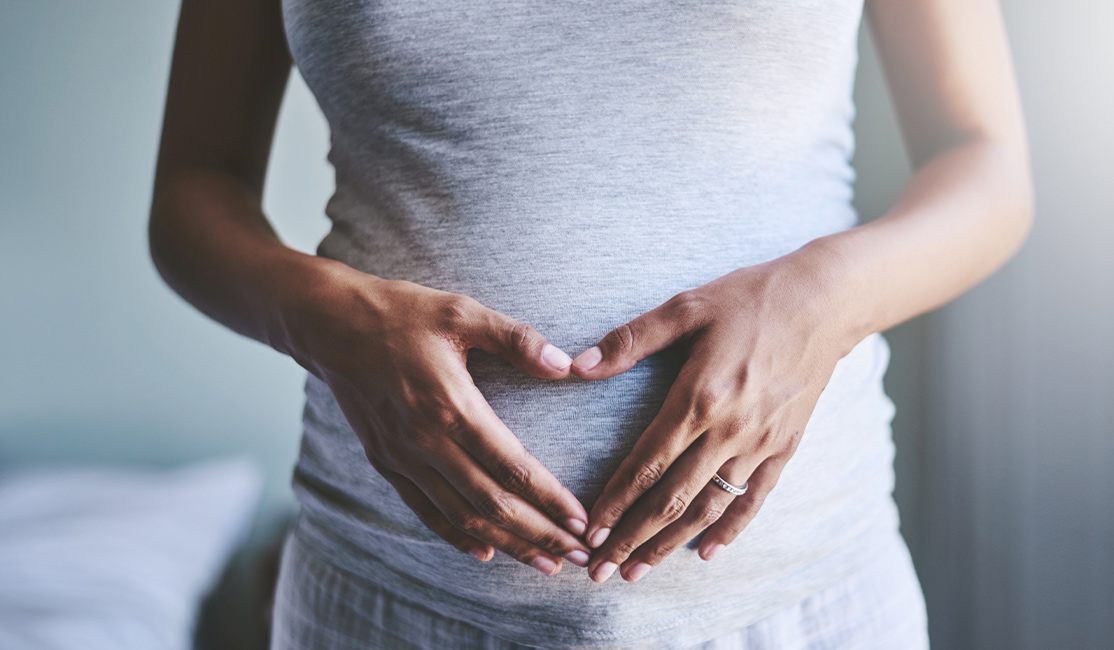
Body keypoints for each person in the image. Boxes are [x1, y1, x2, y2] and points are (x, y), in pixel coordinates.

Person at [149, 0, 1032, 647]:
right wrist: (332, 320)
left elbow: (983, 162)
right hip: (392, 602)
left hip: (797, 604)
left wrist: (822, 298)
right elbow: (195, 188)